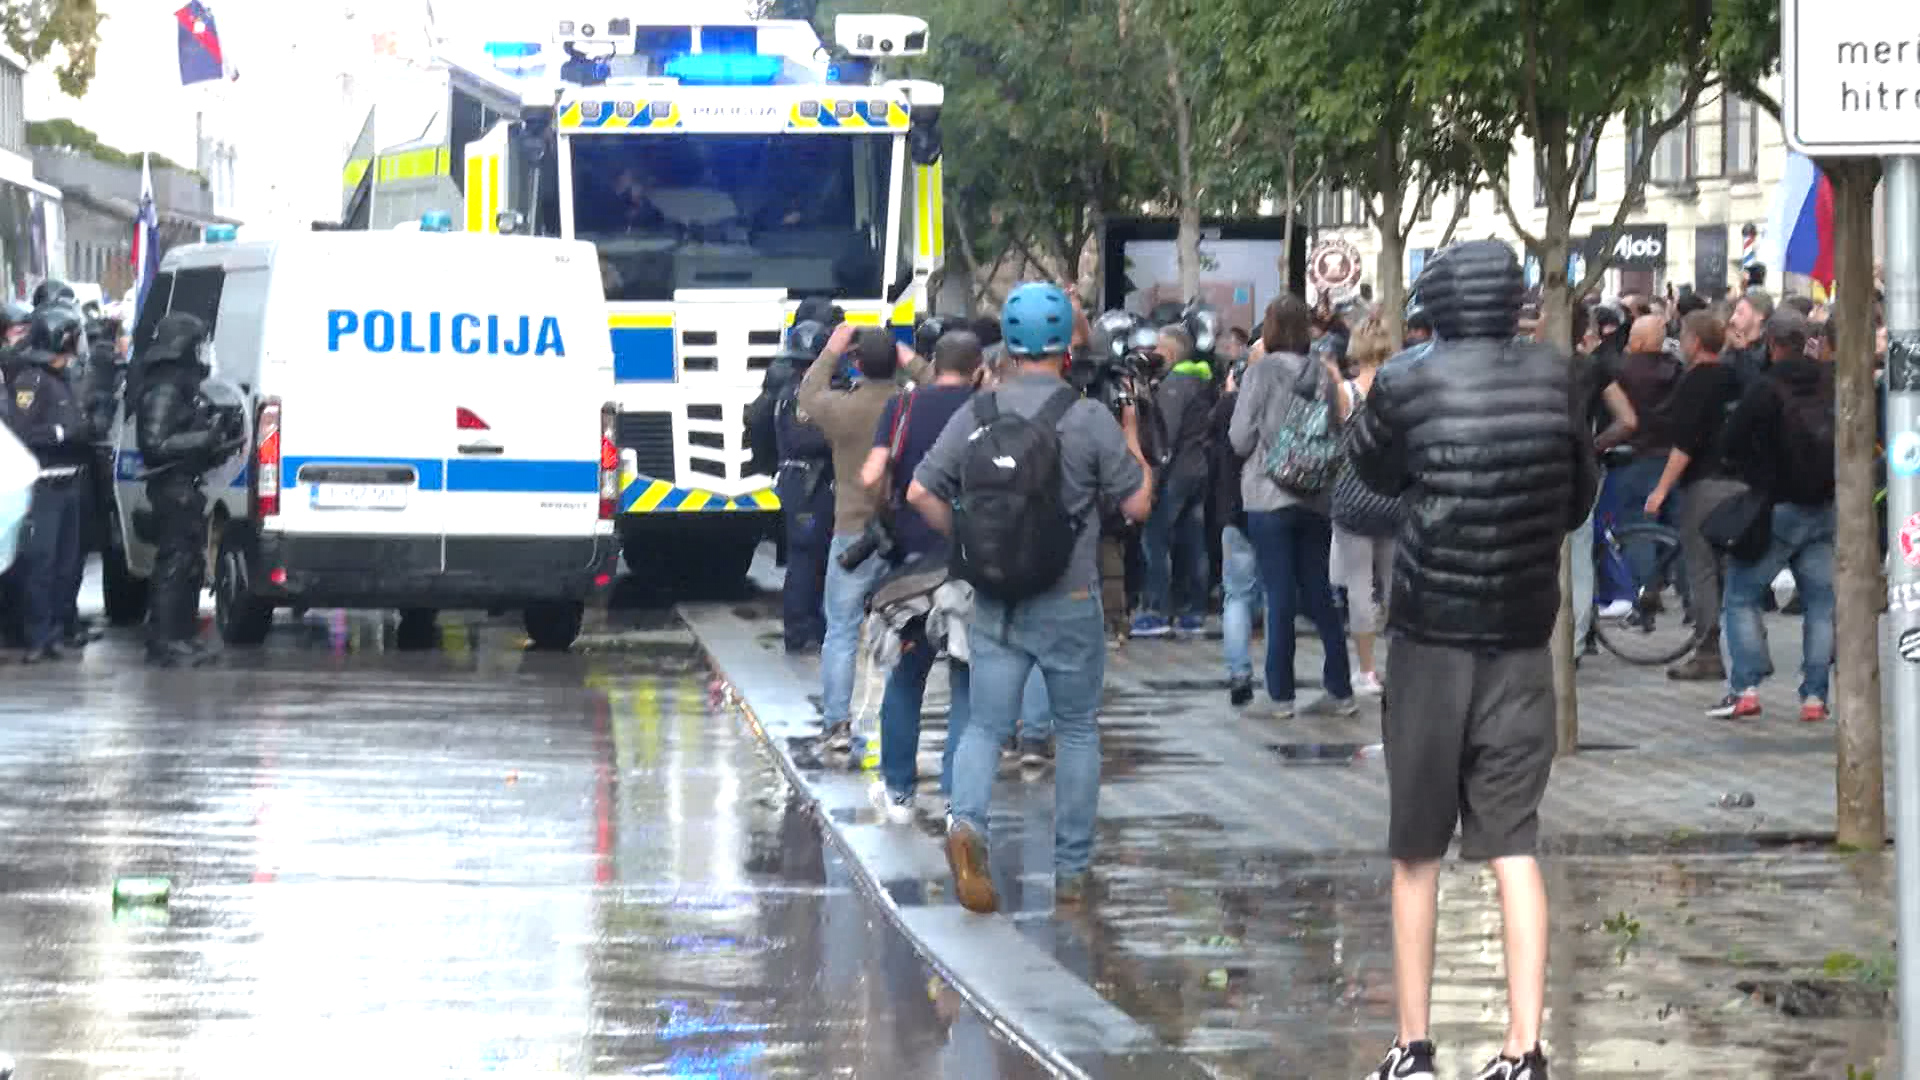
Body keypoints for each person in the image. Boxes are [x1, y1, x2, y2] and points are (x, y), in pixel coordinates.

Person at [1349, 240, 1597, 1080]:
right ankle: (1524, 1051)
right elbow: (1579, 497)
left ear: (1437, 304)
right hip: (1523, 634)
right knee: (1512, 844)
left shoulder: (1406, 380)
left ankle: (1413, 1047)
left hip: (1430, 637)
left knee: (1415, 850)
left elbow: (1369, 472)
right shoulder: (1560, 378)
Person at [907, 281, 1153, 913]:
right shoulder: (1089, 416)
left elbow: (918, 492)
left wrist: (966, 542)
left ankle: (968, 827)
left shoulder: (977, 412)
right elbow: (1137, 502)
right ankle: (1071, 872)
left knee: (986, 727)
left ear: (1009, 345)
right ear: (1066, 345)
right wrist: (1131, 431)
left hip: (995, 601)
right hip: (1070, 597)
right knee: (1075, 733)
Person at [859, 329, 985, 822]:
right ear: (978, 368)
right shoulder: (986, 410)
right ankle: (959, 798)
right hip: (971, 566)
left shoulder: (902, 408)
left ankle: (898, 793)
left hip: (912, 569)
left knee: (906, 679)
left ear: (935, 363)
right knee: (967, 684)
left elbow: (871, 475)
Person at [1229, 294, 1356, 720]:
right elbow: (1337, 425)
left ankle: (1280, 695)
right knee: (1320, 591)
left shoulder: (1261, 372)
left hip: (1269, 495)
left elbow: (1239, 438)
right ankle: (1340, 689)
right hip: (1316, 494)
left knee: (1278, 592)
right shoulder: (1322, 372)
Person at [1709, 307, 1835, 722]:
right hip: (1822, 507)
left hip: (1776, 508)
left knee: (1741, 597)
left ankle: (1745, 688)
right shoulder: (1829, 381)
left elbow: (1731, 440)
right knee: (1820, 604)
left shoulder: (1766, 387)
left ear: (1773, 343)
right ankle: (1814, 697)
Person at [799, 322, 908, 750]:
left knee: (842, 631)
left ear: (856, 363)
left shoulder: (842, 409)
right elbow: (945, 384)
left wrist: (831, 349)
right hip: (904, 533)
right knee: (905, 629)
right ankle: (899, 722)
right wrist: (908, 356)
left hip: (852, 533)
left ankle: (837, 725)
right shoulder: (909, 405)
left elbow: (807, 394)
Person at [132, 313, 241, 666]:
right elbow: (155, 442)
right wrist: (204, 438)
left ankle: (182, 635)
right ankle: (165, 640)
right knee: (174, 565)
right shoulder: (165, 385)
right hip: (171, 486)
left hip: (185, 484)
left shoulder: (180, 383)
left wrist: (218, 440)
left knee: (190, 564)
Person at [1645, 309, 1745, 681]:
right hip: (1740, 485)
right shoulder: (1737, 378)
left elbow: (1684, 446)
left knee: (1701, 569)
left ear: (1696, 342)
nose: (1681, 343)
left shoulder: (1694, 383)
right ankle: (1744, 653)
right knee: (1732, 571)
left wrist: (1661, 489)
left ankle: (1707, 653)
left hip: (1704, 485)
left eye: (1685, 337)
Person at [5, 305, 92, 662]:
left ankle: (55, 630)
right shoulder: (31, 381)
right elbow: (21, 431)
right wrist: (61, 433)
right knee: (41, 564)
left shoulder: (61, 380)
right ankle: (38, 636)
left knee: (65, 564)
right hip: (43, 486)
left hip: (70, 482)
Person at [1327, 312, 1402, 696]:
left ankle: (1367, 670)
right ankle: (1399, 665)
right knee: (1394, 584)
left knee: (1359, 587)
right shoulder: (1400, 391)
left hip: (1353, 498)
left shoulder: (1346, 393)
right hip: (1393, 498)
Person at [1134, 323, 1214, 637]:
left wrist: (1150, 482)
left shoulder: (1173, 387)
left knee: (1155, 540)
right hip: (1197, 470)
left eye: (1156, 348)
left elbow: (1162, 437)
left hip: (1175, 475)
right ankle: (1193, 609)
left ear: (1168, 353)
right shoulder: (1201, 381)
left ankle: (1156, 610)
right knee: (1193, 540)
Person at [765, 321, 833, 655]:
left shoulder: (793, 390)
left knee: (813, 558)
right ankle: (801, 629)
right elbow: (801, 439)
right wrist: (840, 433)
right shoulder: (800, 395)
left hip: (805, 484)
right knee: (806, 559)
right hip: (806, 485)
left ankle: (810, 626)